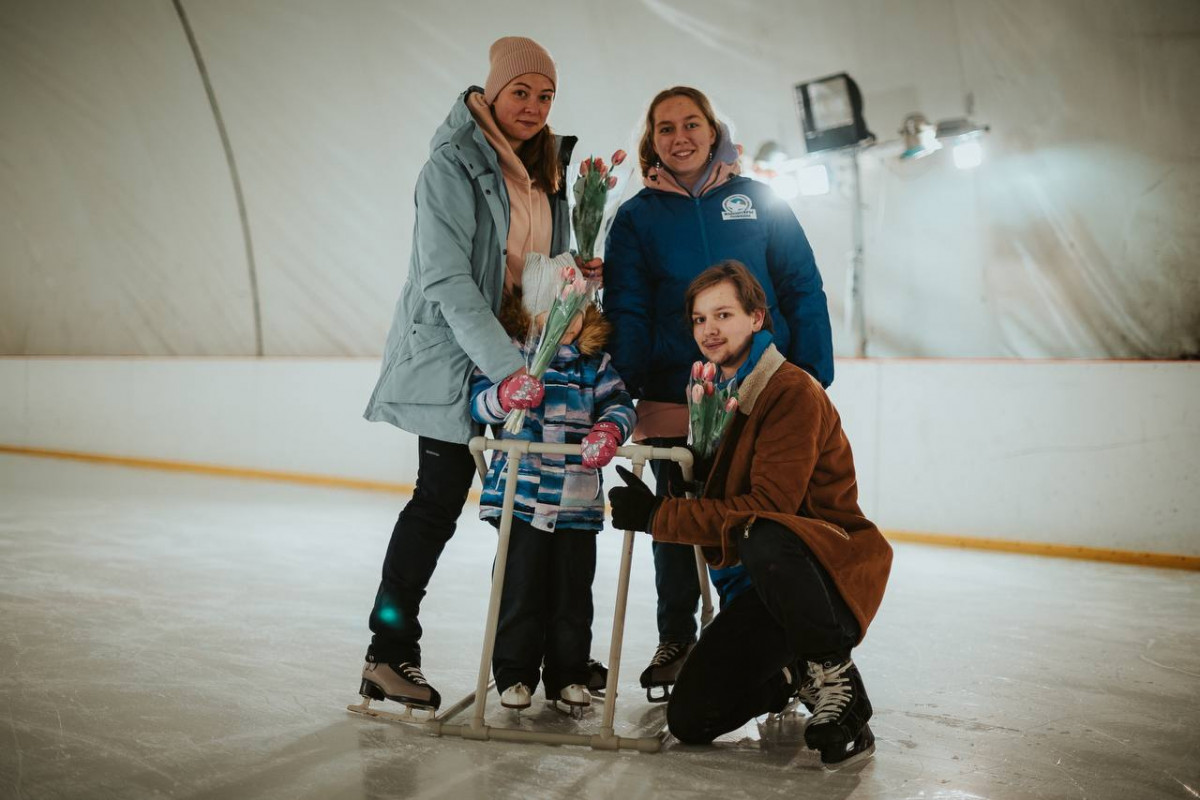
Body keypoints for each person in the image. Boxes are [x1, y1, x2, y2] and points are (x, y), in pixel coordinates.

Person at [359, 36, 586, 712]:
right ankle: (388, 652)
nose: (535, 106)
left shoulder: (547, 170)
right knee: (438, 501)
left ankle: (541, 657)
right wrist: (507, 369)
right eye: (522, 91)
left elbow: (533, 272)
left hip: (523, 364)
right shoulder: (452, 166)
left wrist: (572, 280)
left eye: (545, 96)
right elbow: (448, 280)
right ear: (490, 91)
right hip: (464, 364)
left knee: (532, 511)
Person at [607, 261, 891, 769]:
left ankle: (834, 673)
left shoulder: (790, 392)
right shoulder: (720, 396)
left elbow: (766, 511)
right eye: (699, 319)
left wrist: (659, 516)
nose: (709, 330)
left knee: (762, 532)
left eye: (723, 314)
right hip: (764, 593)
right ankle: (792, 675)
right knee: (690, 720)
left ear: (757, 318)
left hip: (824, 573)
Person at [602, 86, 835, 699]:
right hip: (674, 394)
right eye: (665, 128)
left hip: (761, 389)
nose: (680, 137)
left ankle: (776, 641)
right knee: (673, 515)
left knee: (763, 520)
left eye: (691, 124)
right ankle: (676, 636)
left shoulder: (759, 201)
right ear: (650, 140)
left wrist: (810, 377)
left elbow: (802, 286)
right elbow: (624, 306)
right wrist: (625, 387)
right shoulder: (636, 217)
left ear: (714, 129)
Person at [468, 254, 635, 714]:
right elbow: (478, 404)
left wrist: (609, 430)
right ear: (531, 311)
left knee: (572, 596)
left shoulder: (594, 364)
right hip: (522, 500)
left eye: (577, 310)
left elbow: (620, 402)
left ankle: (568, 675)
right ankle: (515, 674)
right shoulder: (510, 355)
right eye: (556, 309)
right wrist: (504, 397)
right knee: (519, 590)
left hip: (575, 504)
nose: (569, 321)